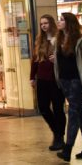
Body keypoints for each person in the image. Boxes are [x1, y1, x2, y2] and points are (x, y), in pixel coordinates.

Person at [53, 12, 82, 161]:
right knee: (80, 113)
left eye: (61, 20)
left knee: (73, 113)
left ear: (69, 23)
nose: (58, 22)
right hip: (65, 82)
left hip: (78, 82)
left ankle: (67, 149)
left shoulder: (80, 40)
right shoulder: (58, 39)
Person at [30, 14, 66, 151]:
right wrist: (32, 77)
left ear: (51, 23)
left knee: (58, 109)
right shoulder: (40, 40)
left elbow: (67, 57)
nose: (43, 26)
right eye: (41, 24)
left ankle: (59, 138)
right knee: (43, 108)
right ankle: (57, 132)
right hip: (42, 79)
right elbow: (35, 60)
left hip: (56, 79)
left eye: (45, 23)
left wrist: (58, 60)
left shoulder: (60, 39)